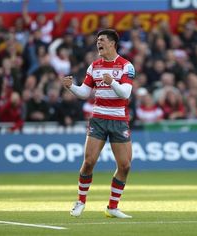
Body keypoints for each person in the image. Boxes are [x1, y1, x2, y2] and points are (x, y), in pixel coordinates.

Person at [62, 29, 135, 218]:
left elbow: (125, 93)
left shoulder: (126, 66)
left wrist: (112, 82)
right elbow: (85, 93)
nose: (98, 43)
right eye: (97, 41)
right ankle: (80, 201)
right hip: (99, 119)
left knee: (125, 165)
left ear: (112, 43)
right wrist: (71, 88)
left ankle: (112, 207)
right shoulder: (94, 66)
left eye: (102, 40)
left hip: (119, 120)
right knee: (89, 161)